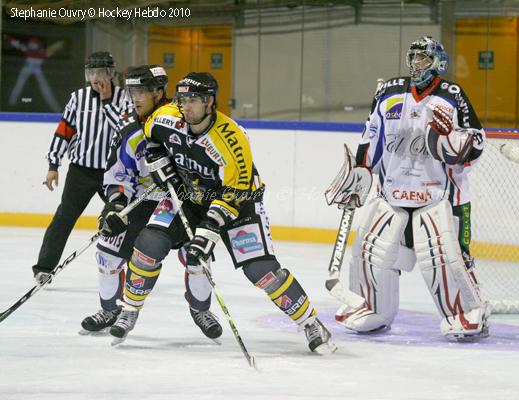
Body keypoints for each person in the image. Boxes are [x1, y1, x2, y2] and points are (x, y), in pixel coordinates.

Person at [109, 72, 336, 354]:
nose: (186, 106)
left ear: (210, 102)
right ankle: (129, 309)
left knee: (261, 271)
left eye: (194, 100)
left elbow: (234, 192)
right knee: (148, 244)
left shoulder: (231, 139)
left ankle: (310, 323)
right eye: (183, 99)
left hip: (239, 204)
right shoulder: (166, 117)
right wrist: (157, 158)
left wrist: (207, 233)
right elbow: (151, 135)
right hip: (189, 197)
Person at [325, 36, 491, 340]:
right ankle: (373, 307)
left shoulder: (452, 96)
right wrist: (361, 172)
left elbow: (476, 143)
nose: (416, 64)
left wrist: (450, 140)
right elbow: (371, 136)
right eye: (413, 58)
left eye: (423, 59)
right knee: (371, 251)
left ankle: (467, 312)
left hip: (440, 196)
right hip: (393, 193)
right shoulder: (388, 92)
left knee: (446, 258)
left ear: (438, 62)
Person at [79, 65, 222, 341]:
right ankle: (111, 310)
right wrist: (115, 204)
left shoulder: (180, 120)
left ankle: (200, 309)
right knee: (108, 249)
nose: (135, 97)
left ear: (159, 92)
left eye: (142, 91)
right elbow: (117, 172)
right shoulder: (128, 127)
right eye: (132, 91)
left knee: (196, 256)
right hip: (141, 201)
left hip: (179, 200)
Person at [32, 51, 132, 283]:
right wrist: (53, 164)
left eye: (100, 72)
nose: (95, 77)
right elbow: (64, 131)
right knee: (64, 218)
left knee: (125, 218)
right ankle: (43, 268)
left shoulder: (125, 97)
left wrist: (107, 100)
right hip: (81, 171)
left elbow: (123, 129)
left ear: (111, 73)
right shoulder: (78, 97)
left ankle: (133, 269)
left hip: (113, 172)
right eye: (91, 72)